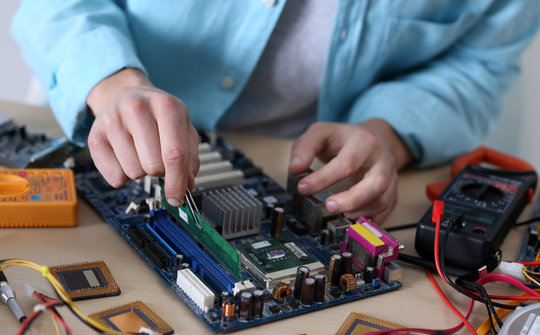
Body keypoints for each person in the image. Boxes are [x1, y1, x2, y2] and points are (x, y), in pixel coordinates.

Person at [12, 1, 540, 223]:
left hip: (296, 170)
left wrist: (386, 132)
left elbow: (478, 65)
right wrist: (113, 82)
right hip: (93, 122)